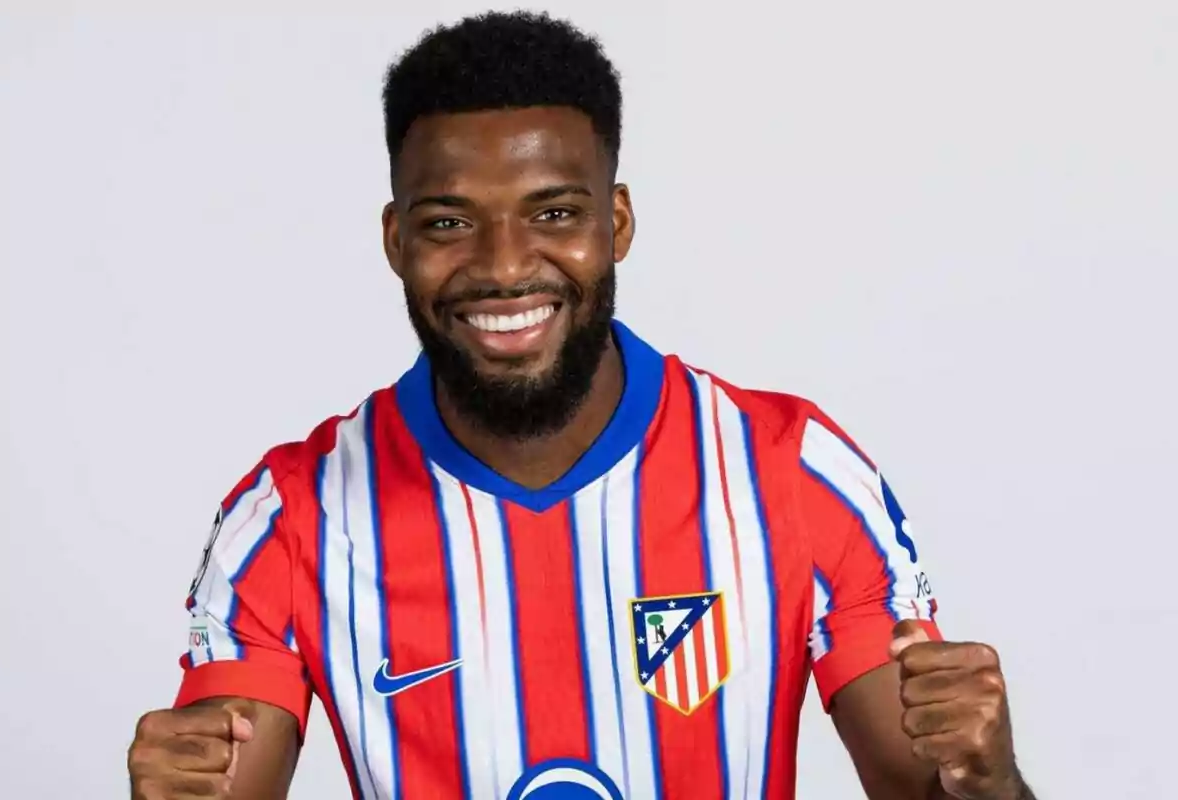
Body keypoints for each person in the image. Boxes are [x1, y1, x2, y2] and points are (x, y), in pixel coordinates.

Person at [127, 11, 1035, 800]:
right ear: (396, 239)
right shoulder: (290, 517)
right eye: (449, 222)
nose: (505, 264)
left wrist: (986, 781)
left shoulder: (793, 472)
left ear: (618, 223)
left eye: (554, 213)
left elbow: (933, 785)